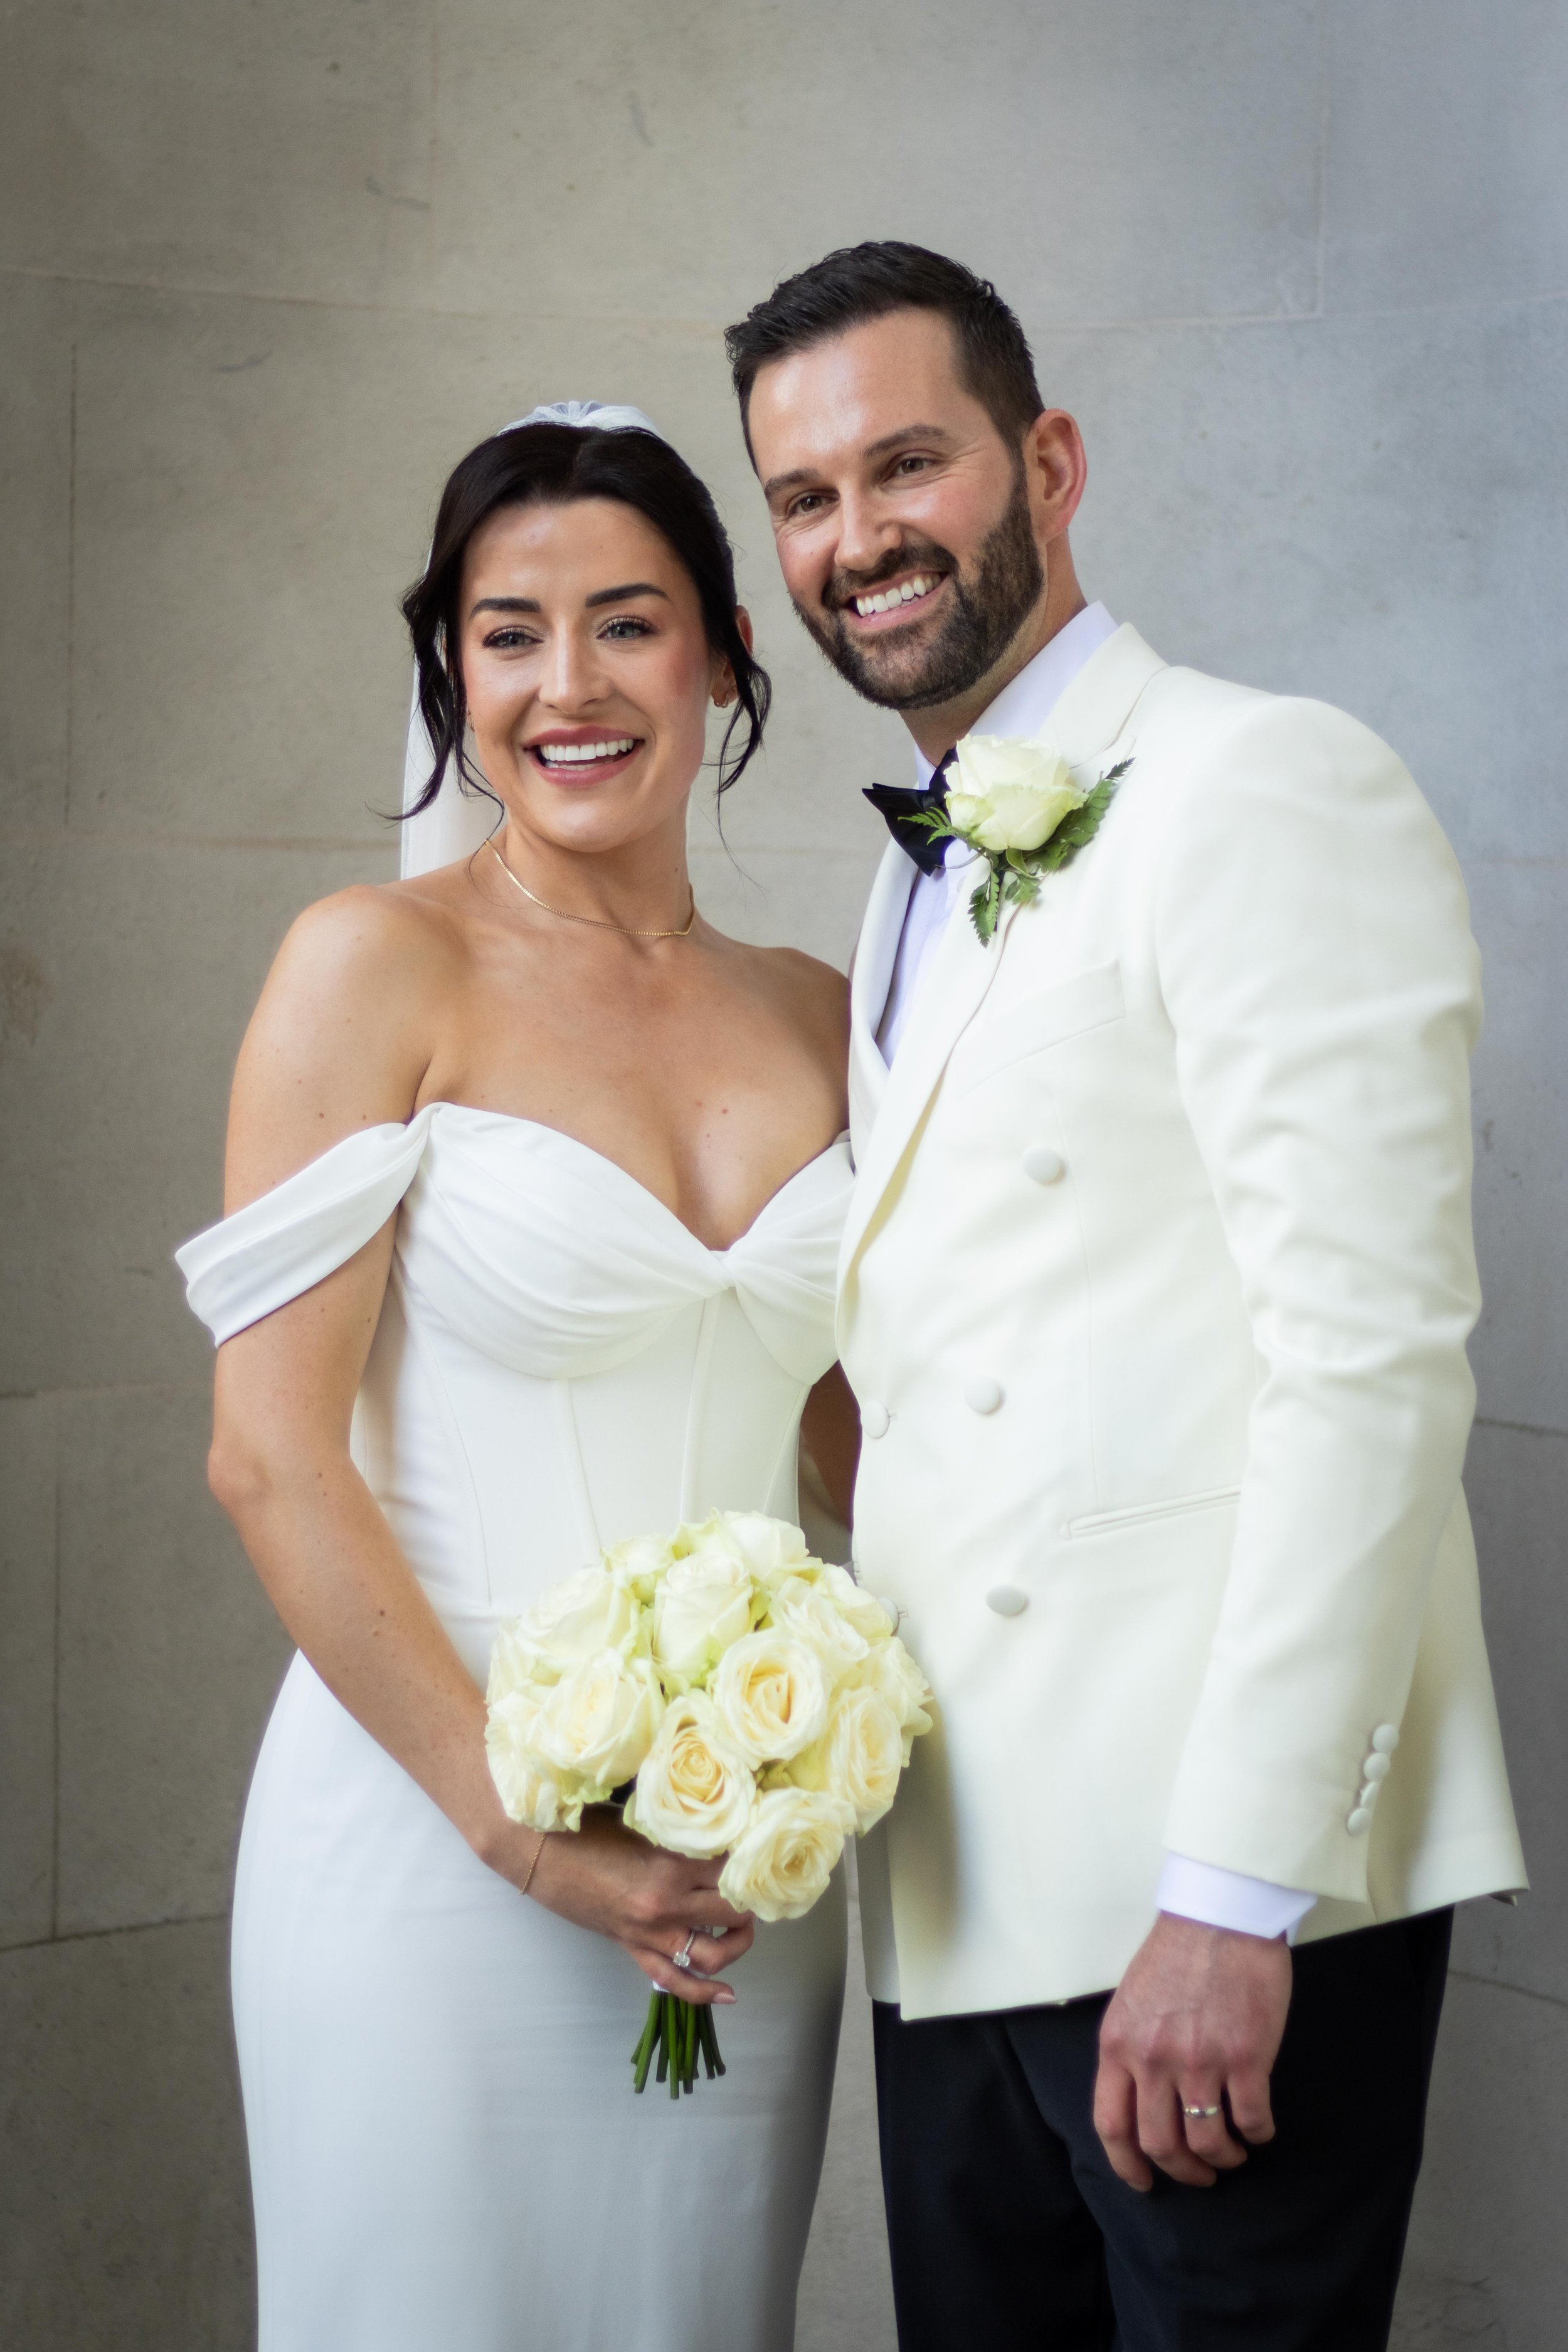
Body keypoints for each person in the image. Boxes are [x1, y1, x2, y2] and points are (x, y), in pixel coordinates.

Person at [726, 243, 1527, 2351]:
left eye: (907, 465)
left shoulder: (1266, 780)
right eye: (802, 498)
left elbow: (1367, 1365)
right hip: (962, 1897)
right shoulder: (899, 872)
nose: (858, 538)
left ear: (1047, 462)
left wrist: (1233, 1895)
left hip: (1204, 1901)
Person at [176, 404, 862, 2352]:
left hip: (743, 1863)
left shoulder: (820, 1010)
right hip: (428, 1843)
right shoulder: (370, 968)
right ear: (450, 673)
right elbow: (271, 1460)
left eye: (628, 625)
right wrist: (528, 1838)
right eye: (507, 633)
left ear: (726, 653)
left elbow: (857, 1440)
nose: (567, 686)